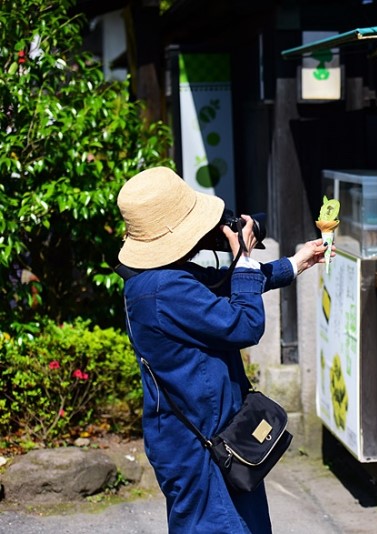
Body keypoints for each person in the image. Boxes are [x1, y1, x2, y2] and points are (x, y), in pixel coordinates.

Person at [116, 166, 330, 533]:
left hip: (214, 436)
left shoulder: (162, 278)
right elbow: (244, 323)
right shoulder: (162, 289)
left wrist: (295, 263)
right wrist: (243, 253)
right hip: (198, 448)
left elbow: (222, 287)